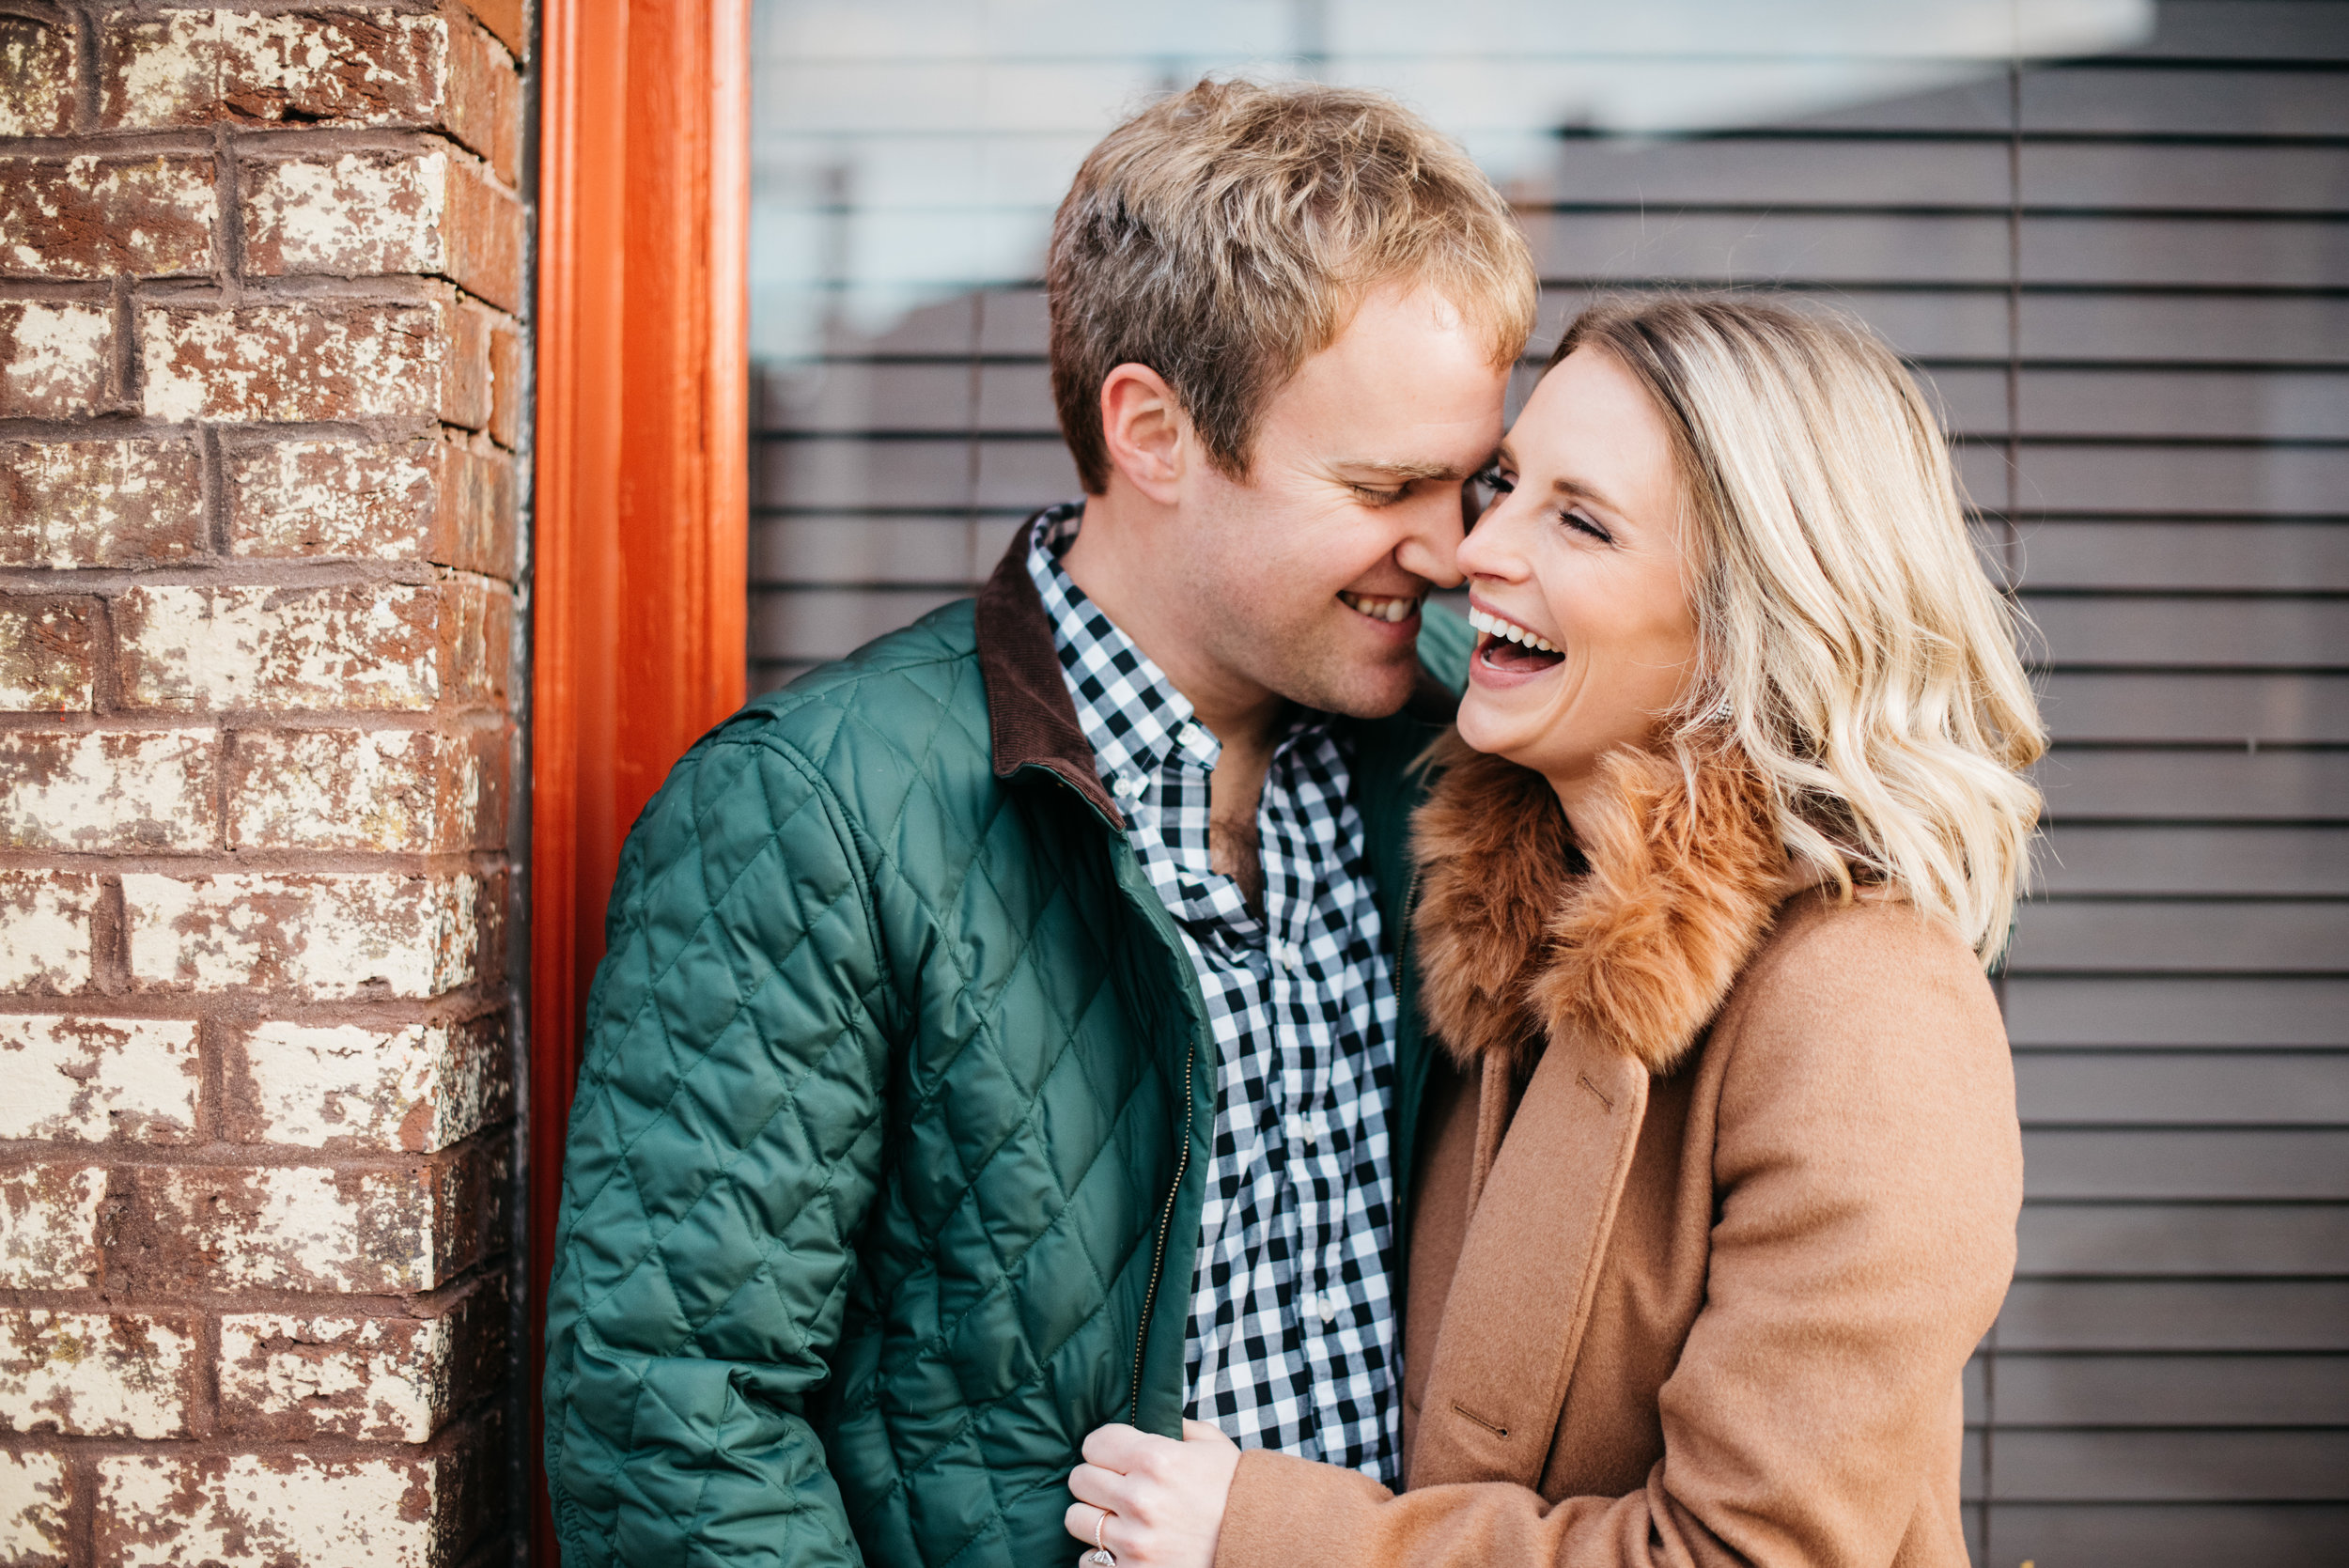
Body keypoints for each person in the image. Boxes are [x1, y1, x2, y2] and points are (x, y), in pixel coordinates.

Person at [538, 79, 1535, 1566]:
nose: (1454, 549)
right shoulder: (814, 812)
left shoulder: (1481, 739)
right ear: (1153, 431)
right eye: (1386, 485)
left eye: (1474, 481)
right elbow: (676, 1415)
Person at [1064, 296, 2045, 1568]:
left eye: (1579, 519)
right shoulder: (1505, 937)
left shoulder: (1867, 1008)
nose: (1474, 551)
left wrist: (1267, 1531)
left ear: (1754, 614)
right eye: (1507, 483)